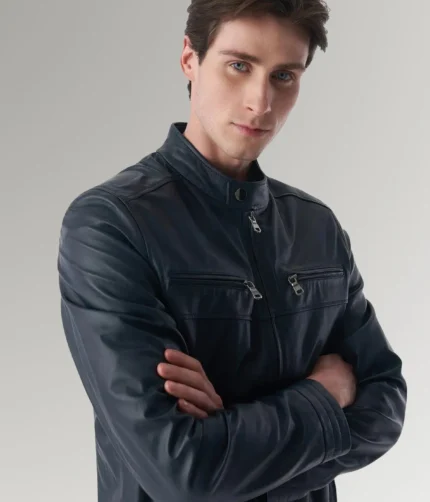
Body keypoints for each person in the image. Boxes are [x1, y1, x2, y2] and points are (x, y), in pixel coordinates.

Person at [57, 1, 407, 501]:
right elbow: (182, 473)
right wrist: (325, 395)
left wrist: (234, 452)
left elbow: (385, 407)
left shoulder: (317, 226)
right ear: (190, 59)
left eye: (284, 76)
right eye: (239, 65)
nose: (260, 102)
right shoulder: (111, 224)